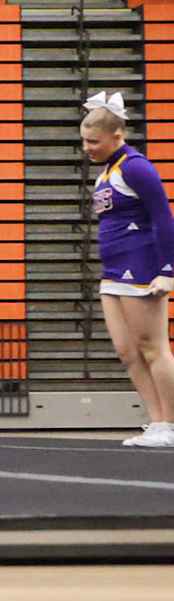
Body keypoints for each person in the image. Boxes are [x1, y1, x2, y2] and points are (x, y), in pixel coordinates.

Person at [80, 91, 174, 447]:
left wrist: (168, 269)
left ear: (117, 135)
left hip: (142, 266)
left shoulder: (136, 167)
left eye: (94, 141)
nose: (88, 147)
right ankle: (157, 422)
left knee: (154, 347)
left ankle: (172, 423)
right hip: (114, 270)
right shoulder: (108, 172)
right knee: (127, 351)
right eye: (85, 141)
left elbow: (163, 218)